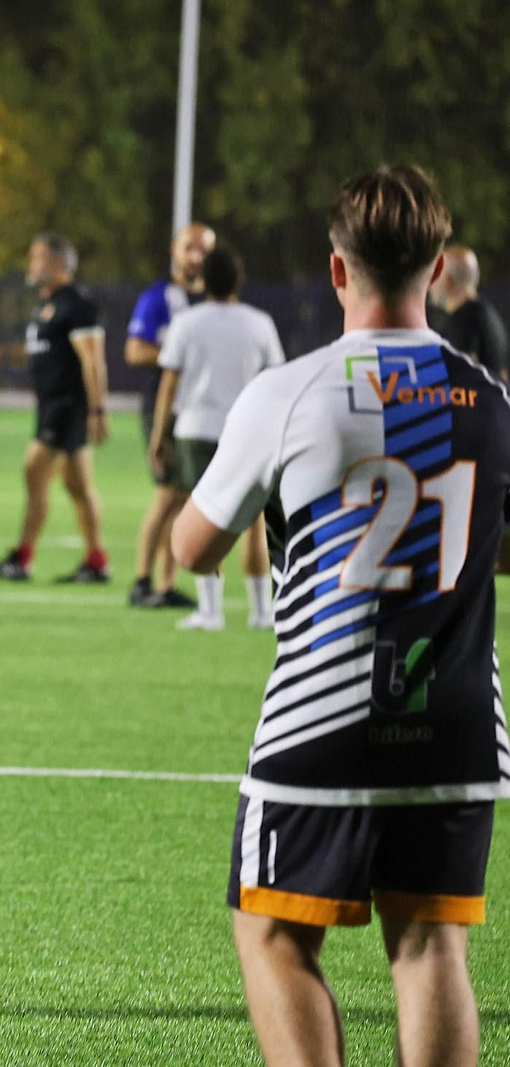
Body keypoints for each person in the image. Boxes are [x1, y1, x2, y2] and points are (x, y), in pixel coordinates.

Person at [172, 165, 508, 1067]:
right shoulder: (490, 399)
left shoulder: (290, 392)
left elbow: (193, 549)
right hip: (457, 723)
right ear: (437, 267)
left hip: (326, 717)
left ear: (336, 269)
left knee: (273, 933)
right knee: (431, 946)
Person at [147, 246, 283, 632]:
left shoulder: (186, 322)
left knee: (203, 518)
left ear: (203, 280)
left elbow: (169, 382)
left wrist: (158, 435)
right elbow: (274, 380)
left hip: (195, 430)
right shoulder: (259, 323)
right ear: (239, 280)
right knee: (255, 523)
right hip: (247, 432)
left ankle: (210, 611)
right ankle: (262, 611)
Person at [0, 234, 111, 583]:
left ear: (57, 263)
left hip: (66, 405)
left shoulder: (76, 304)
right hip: (51, 404)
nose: (31, 265)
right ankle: (97, 561)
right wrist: (2, 354)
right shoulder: (46, 305)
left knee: (34, 471)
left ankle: (22, 558)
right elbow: (41, 349)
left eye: (36, 258)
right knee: (78, 486)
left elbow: (93, 360)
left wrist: (98, 410)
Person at [124, 223, 214, 609]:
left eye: (203, 250)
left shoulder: (214, 300)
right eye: (188, 248)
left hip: (199, 409)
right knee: (166, 495)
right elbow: (134, 351)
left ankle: (165, 583)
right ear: (173, 251)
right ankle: (142, 581)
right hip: (164, 408)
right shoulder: (158, 298)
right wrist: (178, 357)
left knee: (182, 497)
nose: (195, 257)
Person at [429, 244, 508, 381]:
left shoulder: (464, 317)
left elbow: (462, 375)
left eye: (436, 275)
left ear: (448, 281)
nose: (431, 284)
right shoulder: (487, 313)